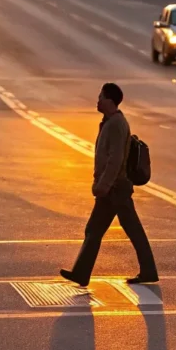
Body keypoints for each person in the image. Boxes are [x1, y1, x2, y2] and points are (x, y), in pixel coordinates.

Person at [60, 82, 158, 286]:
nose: (98, 101)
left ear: (110, 101)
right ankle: (147, 270)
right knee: (122, 229)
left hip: (115, 188)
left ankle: (81, 273)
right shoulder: (111, 121)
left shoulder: (115, 124)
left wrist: (103, 185)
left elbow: (115, 159)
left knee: (95, 230)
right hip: (116, 187)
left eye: (101, 97)